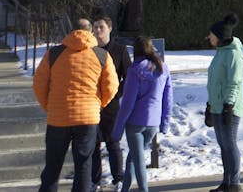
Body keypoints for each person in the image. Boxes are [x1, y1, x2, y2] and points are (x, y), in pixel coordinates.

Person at [33, 18, 119, 192]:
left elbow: (39, 84)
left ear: (72, 31)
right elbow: (112, 86)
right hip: (87, 118)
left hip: (58, 118)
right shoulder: (102, 55)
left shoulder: (54, 54)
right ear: (91, 32)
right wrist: (98, 105)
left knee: (52, 167)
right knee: (84, 166)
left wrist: (49, 107)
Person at [111, 36, 172, 192]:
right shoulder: (162, 68)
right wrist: (165, 122)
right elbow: (168, 98)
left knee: (138, 161)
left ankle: (144, 189)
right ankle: (124, 189)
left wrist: (117, 130)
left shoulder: (134, 70)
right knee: (133, 157)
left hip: (135, 124)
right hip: (153, 123)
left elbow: (127, 103)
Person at [91, 15, 132, 191]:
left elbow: (128, 75)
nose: (97, 30)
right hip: (92, 102)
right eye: (95, 27)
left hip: (111, 103)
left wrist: (116, 93)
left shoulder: (119, 50)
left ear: (109, 28)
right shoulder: (89, 49)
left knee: (112, 141)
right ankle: (94, 180)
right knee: (93, 143)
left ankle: (118, 178)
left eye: (101, 27)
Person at [206, 12, 243, 192]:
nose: (208, 37)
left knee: (230, 144)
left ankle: (235, 183)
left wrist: (228, 106)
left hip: (229, 108)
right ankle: (226, 182)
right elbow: (215, 82)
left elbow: (233, 82)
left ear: (220, 36)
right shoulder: (220, 53)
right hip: (217, 107)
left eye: (211, 34)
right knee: (223, 146)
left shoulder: (233, 55)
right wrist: (210, 105)